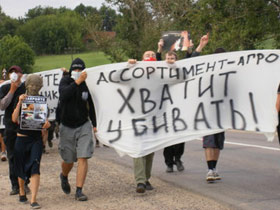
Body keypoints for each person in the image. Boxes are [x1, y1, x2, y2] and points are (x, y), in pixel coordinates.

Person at [157, 34, 209, 173]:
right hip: (165, 109)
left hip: (180, 108)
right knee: (167, 138)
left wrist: (199, 46)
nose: (170, 60)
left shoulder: (181, 70)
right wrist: (159, 49)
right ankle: (169, 163)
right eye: (168, 58)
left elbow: (191, 62)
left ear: (176, 60)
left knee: (180, 136)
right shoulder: (160, 71)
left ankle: (178, 158)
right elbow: (154, 62)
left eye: (172, 58)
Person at [58, 58, 96, 201]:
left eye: (81, 70)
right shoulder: (65, 81)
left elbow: (92, 105)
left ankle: (79, 190)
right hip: (67, 125)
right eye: (75, 69)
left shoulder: (89, 84)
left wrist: (95, 123)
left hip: (83, 124)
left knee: (83, 156)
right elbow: (63, 95)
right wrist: (77, 82)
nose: (78, 72)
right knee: (68, 159)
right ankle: (64, 175)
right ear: (71, 70)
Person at [12, 74, 50, 209]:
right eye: (31, 85)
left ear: (40, 87)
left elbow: (46, 120)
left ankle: (33, 199)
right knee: (21, 167)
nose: (34, 87)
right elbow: (14, 119)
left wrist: (47, 124)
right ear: (27, 85)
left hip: (36, 140)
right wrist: (19, 103)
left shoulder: (43, 101)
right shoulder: (22, 98)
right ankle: (22, 191)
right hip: (21, 138)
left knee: (35, 167)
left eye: (36, 85)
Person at [0, 65, 29, 195]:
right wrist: (12, 91)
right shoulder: (5, 87)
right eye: (12, 72)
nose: (14, 74)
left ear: (21, 74)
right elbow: (2, 106)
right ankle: (15, 185)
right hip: (10, 128)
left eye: (16, 72)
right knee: (12, 157)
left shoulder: (26, 88)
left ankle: (25, 183)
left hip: (25, 127)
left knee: (25, 156)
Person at [203, 47, 226, 182]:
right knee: (209, 142)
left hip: (222, 114)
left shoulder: (229, 72)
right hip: (208, 112)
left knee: (218, 143)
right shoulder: (208, 71)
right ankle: (210, 169)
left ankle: (214, 168)